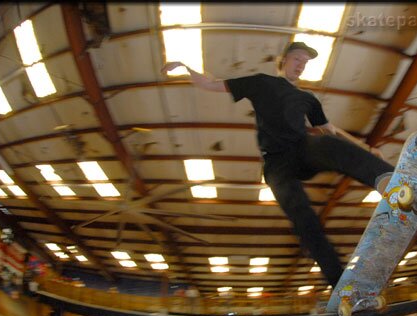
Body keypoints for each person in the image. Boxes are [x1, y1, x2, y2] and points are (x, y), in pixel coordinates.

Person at [162, 42, 395, 288]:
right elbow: (209, 83)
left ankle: (387, 181)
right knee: (304, 220)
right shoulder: (261, 82)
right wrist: (186, 67)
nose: (301, 66)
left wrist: (367, 150)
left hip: (302, 150)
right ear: (283, 60)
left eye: (305, 62)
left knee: (326, 143)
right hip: (275, 165)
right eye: (297, 59)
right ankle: (340, 282)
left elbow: (332, 130)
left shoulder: (308, 99)